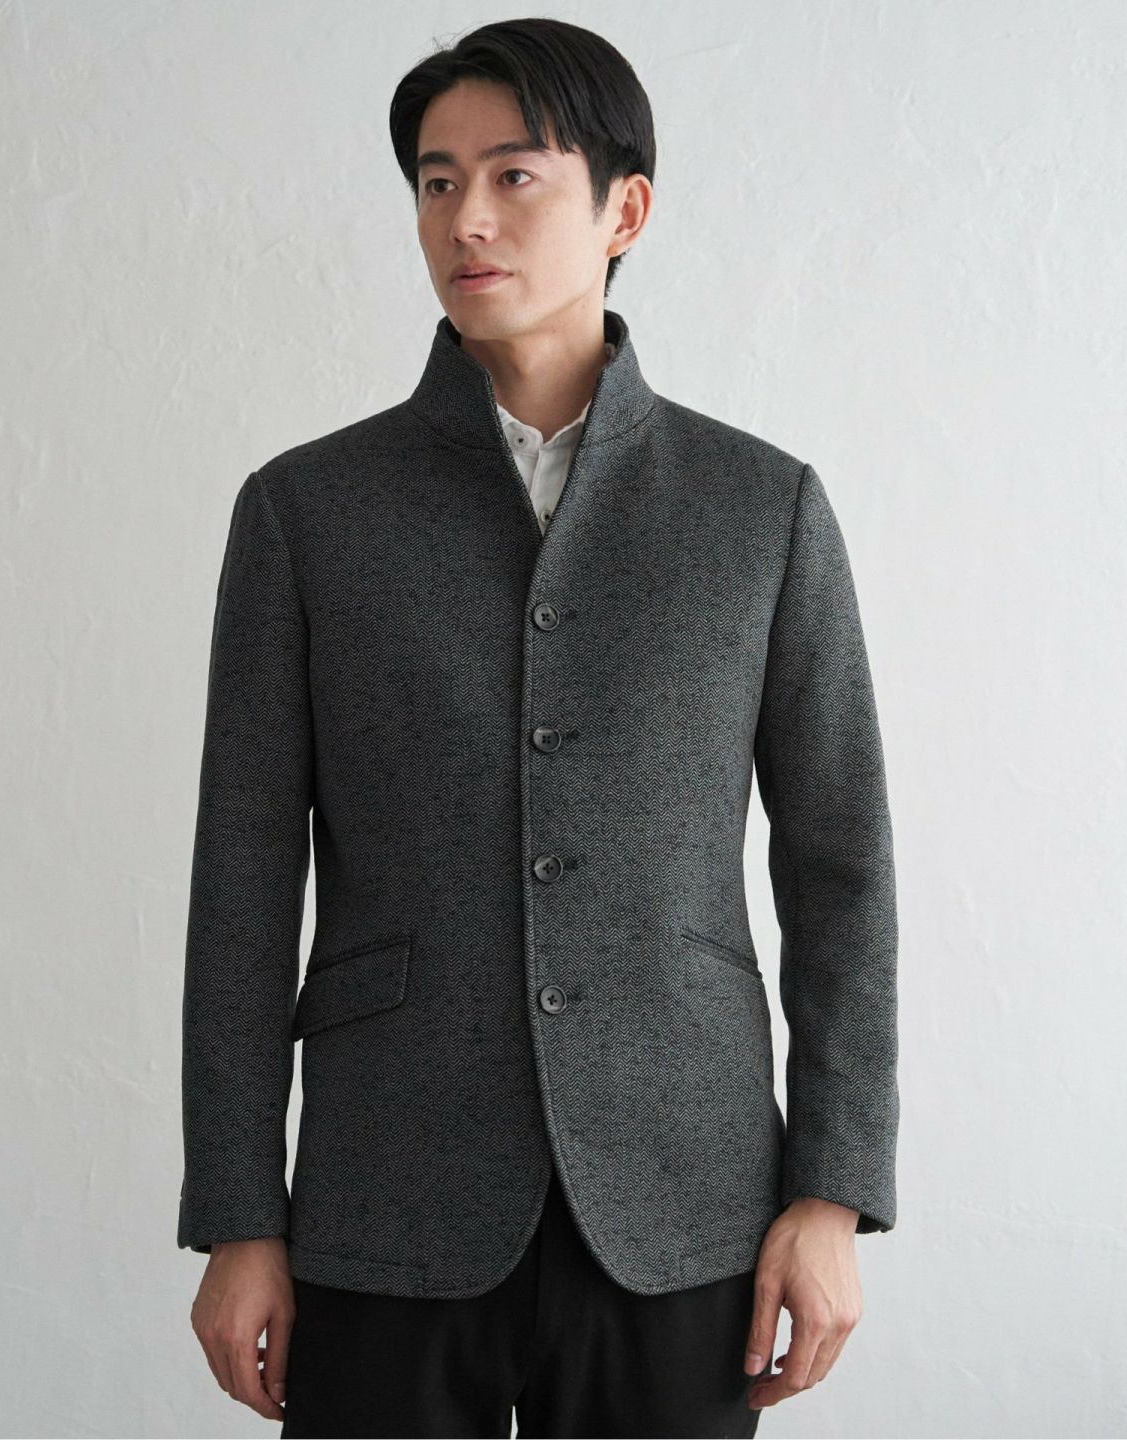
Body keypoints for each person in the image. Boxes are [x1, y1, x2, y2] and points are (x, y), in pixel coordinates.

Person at [178, 18, 899, 1439]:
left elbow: (842, 867)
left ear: (625, 210)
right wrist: (239, 1213)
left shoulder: (761, 508)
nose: (467, 218)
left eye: (514, 176)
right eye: (437, 182)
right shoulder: (307, 512)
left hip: (687, 1198)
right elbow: (242, 883)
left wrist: (832, 1189)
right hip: (388, 1194)